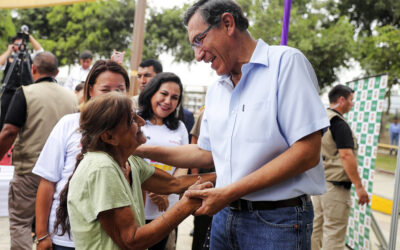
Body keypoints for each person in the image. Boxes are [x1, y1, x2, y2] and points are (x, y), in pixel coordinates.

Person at [134, 0, 330, 249]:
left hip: (276, 222)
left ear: (227, 23)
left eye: (199, 40)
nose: (198, 55)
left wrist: (229, 192)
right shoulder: (217, 89)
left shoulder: (285, 64)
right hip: (225, 215)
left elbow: (307, 153)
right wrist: (138, 149)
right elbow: (205, 153)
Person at [54, 92, 216, 250]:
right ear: (109, 137)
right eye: (131, 119)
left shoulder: (129, 162)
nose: (141, 122)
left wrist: (226, 176)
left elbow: (173, 184)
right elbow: (131, 240)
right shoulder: (102, 168)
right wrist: (187, 205)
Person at [32, 60, 130, 250]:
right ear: (91, 90)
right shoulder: (69, 124)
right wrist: (42, 234)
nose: (113, 96)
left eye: (120, 89)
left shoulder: (131, 132)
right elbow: (47, 182)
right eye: (105, 89)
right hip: (65, 239)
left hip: (108, 240)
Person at [0, 51, 77, 250]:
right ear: (57, 71)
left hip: (29, 171)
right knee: (53, 223)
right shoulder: (72, 98)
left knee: (20, 222)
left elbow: (9, 131)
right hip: (62, 173)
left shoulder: (25, 92)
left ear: (33, 69)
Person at [311, 84, 370, 250]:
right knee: (334, 233)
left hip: (319, 184)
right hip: (335, 188)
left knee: (316, 228)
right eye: (351, 100)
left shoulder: (321, 119)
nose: (352, 104)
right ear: (341, 99)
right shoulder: (339, 123)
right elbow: (346, 155)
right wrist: (359, 187)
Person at [138, 72, 189, 250]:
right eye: (164, 94)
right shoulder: (136, 121)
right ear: (152, 92)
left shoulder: (180, 127)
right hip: (136, 207)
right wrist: (153, 187)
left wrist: (166, 190)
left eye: (175, 97)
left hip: (166, 210)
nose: (168, 101)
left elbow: (184, 164)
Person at [0, 32, 43, 129]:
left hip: (26, 92)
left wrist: (29, 37)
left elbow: (40, 52)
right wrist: (8, 51)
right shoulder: (9, 58)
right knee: (4, 118)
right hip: (9, 92)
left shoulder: (29, 57)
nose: (20, 46)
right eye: (17, 44)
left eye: (21, 44)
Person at [190, 108, 214, 250]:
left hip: (232, 182)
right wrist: (196, 177)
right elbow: (195, 142)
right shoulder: (207, 111)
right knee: (201, 225)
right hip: (206, 176)